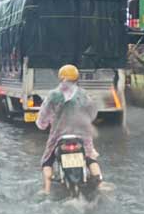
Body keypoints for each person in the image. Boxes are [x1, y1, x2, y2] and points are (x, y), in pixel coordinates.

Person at [35, 64, 102, 195]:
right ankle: (100, 183)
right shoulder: (83, 94)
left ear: (60, 78)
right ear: (77, 78)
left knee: (47, 160)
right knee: (90, 157)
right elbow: (93, 111)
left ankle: (47, 189)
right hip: (82, 136)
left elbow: (43, 116)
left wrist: (41, 124)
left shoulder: (53, 95)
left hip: (59, 136)